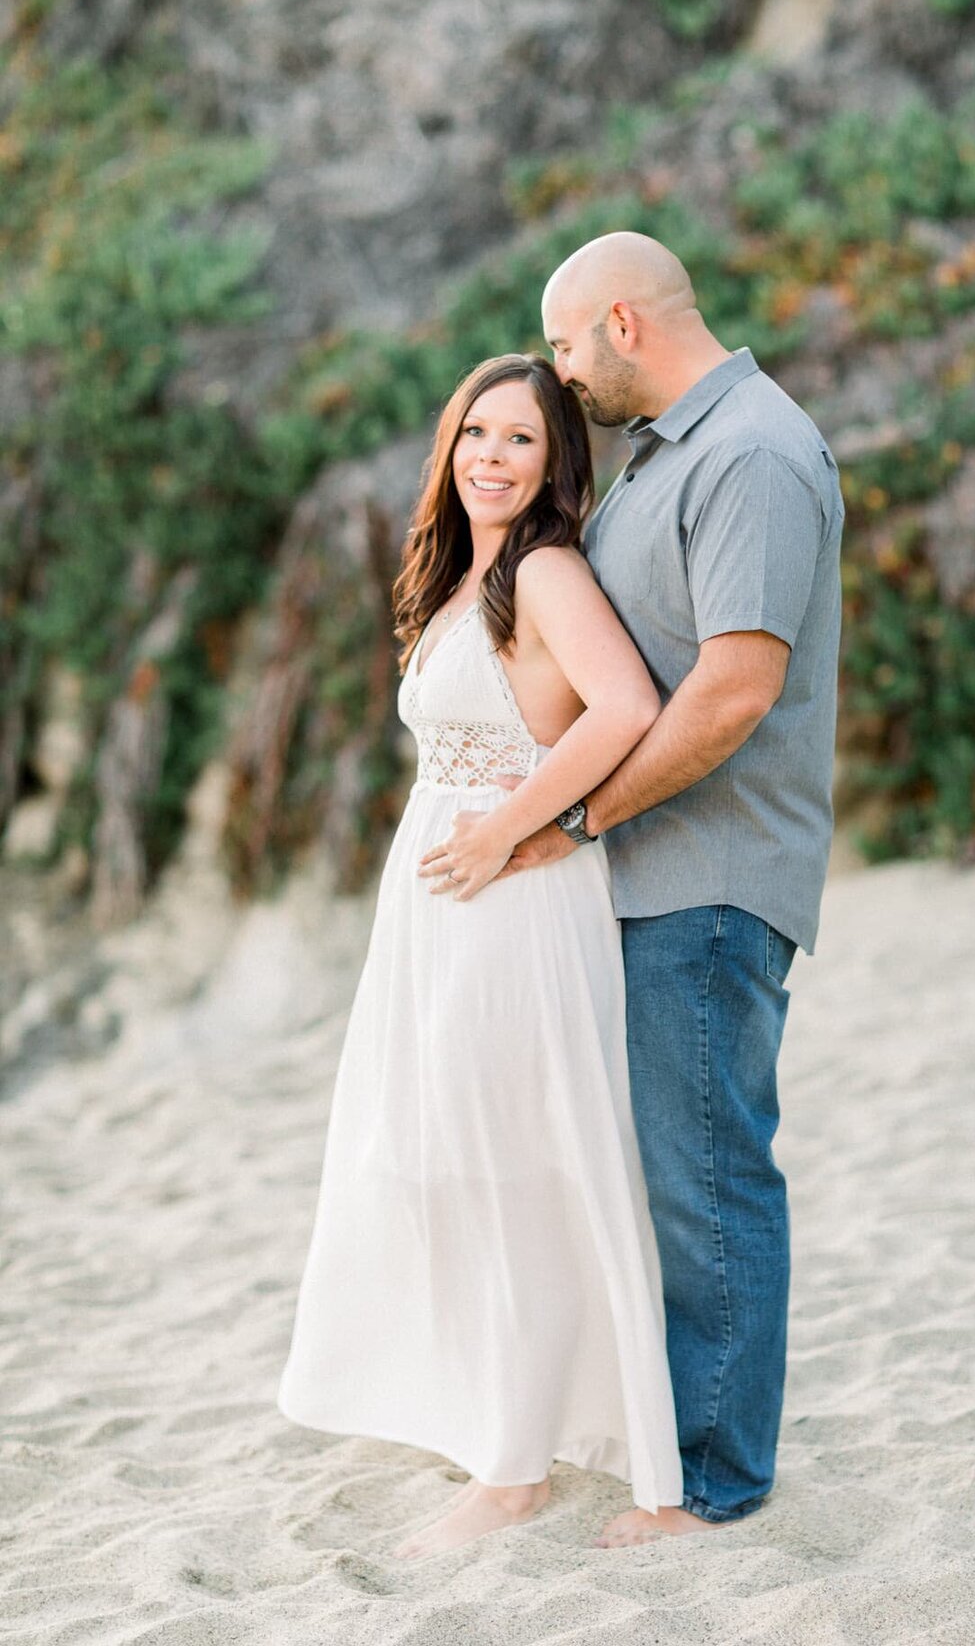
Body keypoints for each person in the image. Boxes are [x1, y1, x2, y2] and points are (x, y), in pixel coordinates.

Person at [427, 231, 845, 1548]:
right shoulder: (674, 454)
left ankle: (717, 1488)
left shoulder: (755, 454)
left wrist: (577, 817)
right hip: (642, 876)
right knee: (651, 1169)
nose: (559, 375)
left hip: (709, 881)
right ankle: (652, 1433)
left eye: (561, 347)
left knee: (706, 1177)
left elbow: (734, 686)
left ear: (620, 322)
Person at [276, 351, 685, 1558]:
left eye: (520, 440)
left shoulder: (549, 570)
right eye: (476, 435)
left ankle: (518, 1470)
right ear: (448, 448)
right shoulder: (464, 577)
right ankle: (510, 1428)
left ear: (559, 461)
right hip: (437, 907)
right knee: (444, 1159)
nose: (492, 459)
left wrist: (515, 831)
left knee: (516, 1166)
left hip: (514, 900)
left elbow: (627, 711)